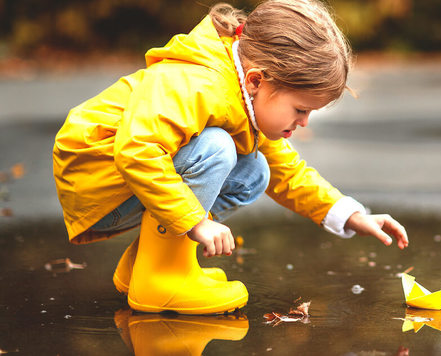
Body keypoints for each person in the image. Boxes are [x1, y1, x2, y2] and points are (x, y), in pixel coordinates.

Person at [52, 0, 408, 315]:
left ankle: (145, 267)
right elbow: (137, 150)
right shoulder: (199, 83)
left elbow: (288, 171)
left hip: (126, 177)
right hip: (98, 181)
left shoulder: (242, 93)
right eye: (300, 109)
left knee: (254, 171)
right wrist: (195, 222)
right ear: (256, 81)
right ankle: (159, 280)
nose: (303, 122)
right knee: (217, 148)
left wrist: (351, 215)